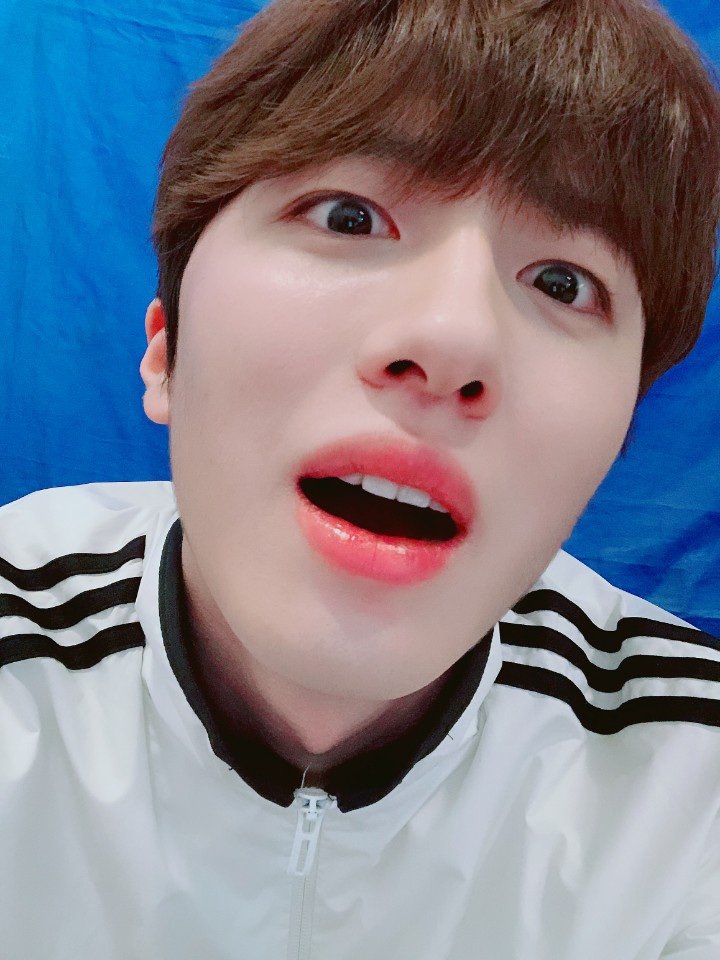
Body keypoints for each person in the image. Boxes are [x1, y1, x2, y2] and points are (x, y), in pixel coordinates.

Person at [1, 0, 719, 956]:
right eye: (349, 217)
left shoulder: (690, 787)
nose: (452, 340)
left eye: (562, 283)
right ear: (167, 348)